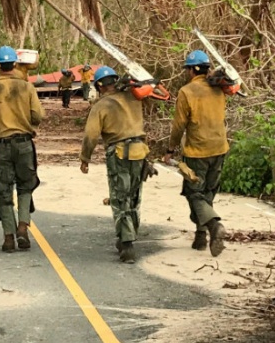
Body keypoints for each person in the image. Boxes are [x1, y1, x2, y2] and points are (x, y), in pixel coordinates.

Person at [80, 66, 151, 263]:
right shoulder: (134, 98)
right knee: (134, 196)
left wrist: (85, 158)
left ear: (100, 86)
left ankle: (126, 243)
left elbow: (91, 135)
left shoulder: (101, 106)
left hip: (119, 154)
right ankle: (130, 234)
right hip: (140, 152)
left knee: (120, 198)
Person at [164, 49, 231, 256]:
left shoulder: (187, 91)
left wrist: (170, 149)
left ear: (193, 70)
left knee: (194, 193)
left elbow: (179, 126)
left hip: (197, 152)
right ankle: (200, 238)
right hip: (220, 149)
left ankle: (213, 226)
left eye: (187, 70)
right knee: (208, 192)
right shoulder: (219, 90)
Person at [0, 45, 44, 252]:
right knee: (26, 186)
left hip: (2, 146)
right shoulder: (27, 88)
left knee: (3, 190)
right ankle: (23, 227)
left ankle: (8, 237)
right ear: (15, 64)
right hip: (24, 144)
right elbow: (37, 116)